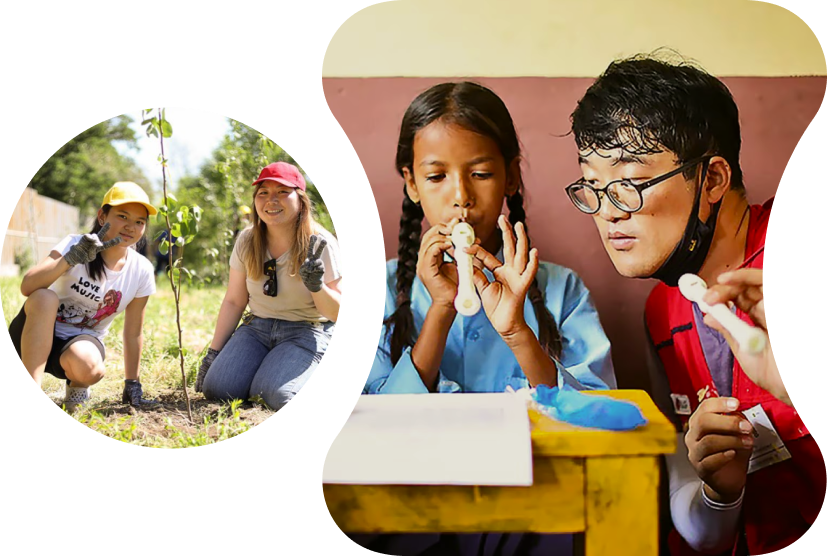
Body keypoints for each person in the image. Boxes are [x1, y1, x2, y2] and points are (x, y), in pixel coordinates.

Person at [567, 53, 824, 555]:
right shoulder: (661, 313)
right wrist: (720, 492)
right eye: (593, 187)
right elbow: (701, 530)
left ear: (711, 180)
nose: (607, 214)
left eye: (627, 185)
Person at [360, 81, 616, 555]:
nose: (461, 197)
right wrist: (439, 311)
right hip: (408, 524)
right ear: (411, 184)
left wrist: (519, 334)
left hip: (539, 524)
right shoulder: (378, 289)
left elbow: (600, 419)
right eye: (436, 177)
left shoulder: (562, 291)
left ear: (511, 177)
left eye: (479, 173)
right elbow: (368, 427)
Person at [196, 162, 341, 411]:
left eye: (283, 192)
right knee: (218, 389)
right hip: (257, 328)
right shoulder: (247, 239)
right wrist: (214, 353)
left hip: (306, 330)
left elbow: (336, 312)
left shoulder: (321, 244)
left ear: (301, 199)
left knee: (273, 395)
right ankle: (266, 368)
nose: (271, 200)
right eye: (263, 193)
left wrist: (317, 286)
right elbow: (234, 301)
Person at [10, 181, 159, 411]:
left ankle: (77, 387)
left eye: (139, 222)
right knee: (44, 297)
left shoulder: (142, 270)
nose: (131, 226)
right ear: (102, 216)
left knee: (90, 366)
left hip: (78, 345)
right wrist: (70, 258)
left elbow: (133, 332)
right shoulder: (73, 243)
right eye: (122, 216)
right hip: (31, 335)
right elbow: (28, 286)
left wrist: (133, 383)